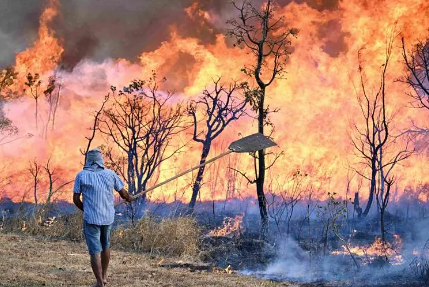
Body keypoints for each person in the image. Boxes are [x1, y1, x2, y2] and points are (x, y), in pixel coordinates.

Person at [73, 148, 134, 287]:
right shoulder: (110, 174)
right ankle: (104, 276)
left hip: (91, 218)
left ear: (88, 161)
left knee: (95, 250)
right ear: (101, 160)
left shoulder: (81, 175)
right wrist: (129, 198)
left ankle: (100, 282)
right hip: (107, 217)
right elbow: (124, 194)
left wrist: (86, 210)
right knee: (105, 245)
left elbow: (76, 199)